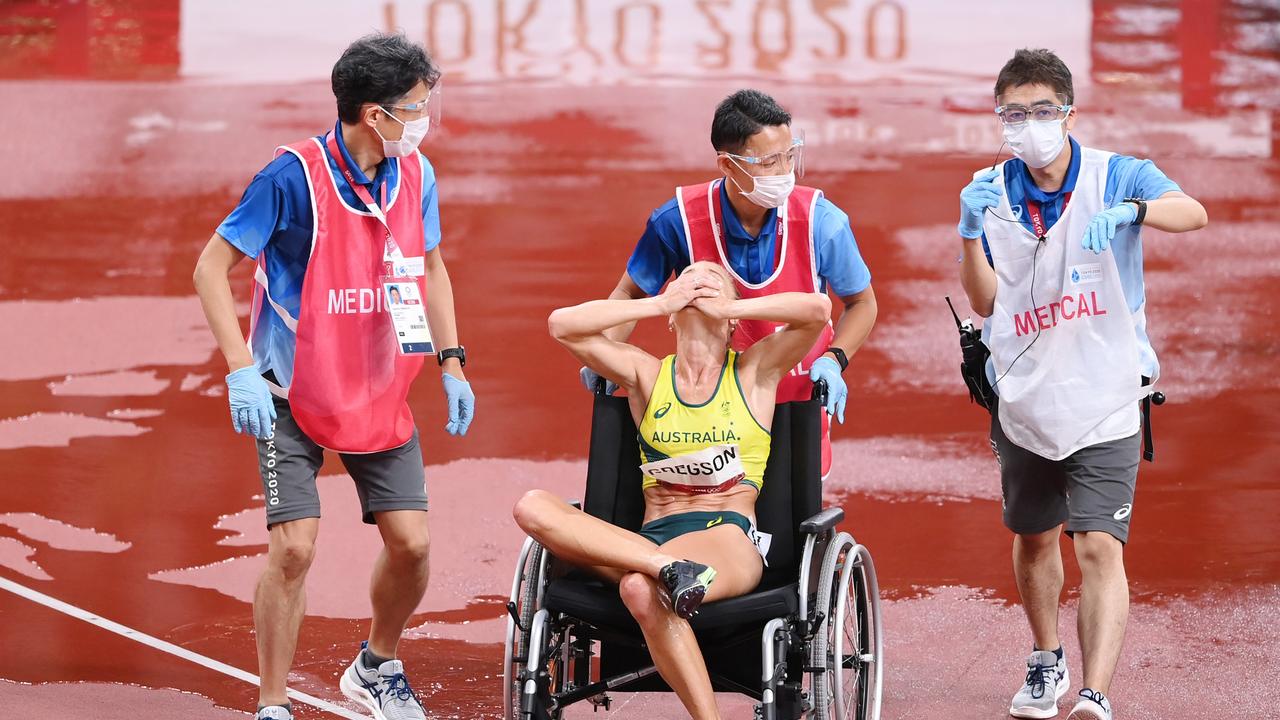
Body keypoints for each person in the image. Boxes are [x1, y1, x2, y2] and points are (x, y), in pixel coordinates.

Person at [192, 33, 476, 720]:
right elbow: (209, 267)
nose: (424, 117)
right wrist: (241, 372)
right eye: (415, 106)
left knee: (411, 545)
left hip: (376, 384)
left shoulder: (418, 174)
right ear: (374, 115)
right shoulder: (291, 178)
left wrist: (452, 361)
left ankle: (375, 668)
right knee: (293, 548)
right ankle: (271, 704)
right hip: (290, 391)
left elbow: (430, 266)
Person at [956, 48, 1208, 720]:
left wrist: (1136, 213)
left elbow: (1193, 212)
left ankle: (1095, 692)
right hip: (1026, 396)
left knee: (1098, 543)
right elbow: (983, 302)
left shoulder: (1116, 174)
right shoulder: (988, 189)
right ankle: (1046, 659)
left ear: (1068, 112)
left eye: (1042, 111)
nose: (1029, 124)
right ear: (1000, 119)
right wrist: (968, 234)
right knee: (1035, 537)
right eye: (1014, 113)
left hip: (1106, 394)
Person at [514, 261, 830, 720]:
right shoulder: (646, 374)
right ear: (671, 314)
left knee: (642, 591)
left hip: (724, 534)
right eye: (688, 277)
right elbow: (561, 325)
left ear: (732, 319)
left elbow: (817, 310)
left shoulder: (754, 372)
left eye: (713, 278)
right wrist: (659, 301)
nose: (701, 276)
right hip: (650, 540)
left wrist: (731, 304)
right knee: (533, 507)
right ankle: (667, 568)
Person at [584, 89, 876, 476]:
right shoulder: (678, 222)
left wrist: (835, 359)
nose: (784, 172)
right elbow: (629, 292)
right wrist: (608, 346)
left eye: (791, 155)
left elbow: (862, 303)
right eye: (770, 162)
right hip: (706, 414)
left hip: (795, 404)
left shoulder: (822, 222)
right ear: (727, 164)